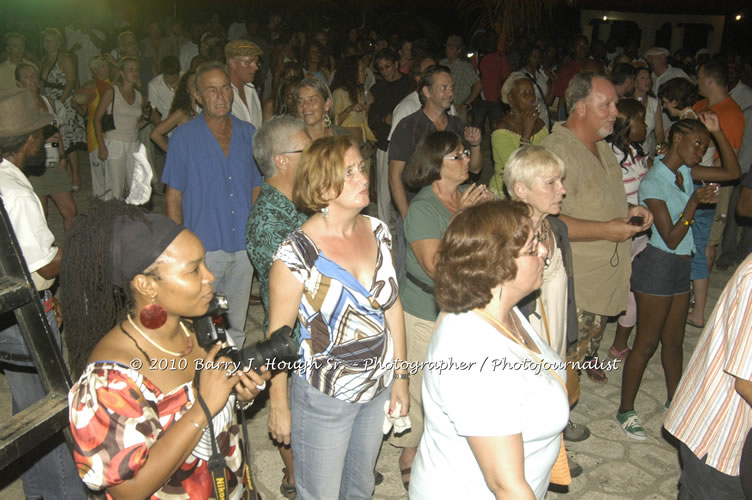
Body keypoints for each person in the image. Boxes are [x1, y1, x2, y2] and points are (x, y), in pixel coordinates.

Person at [64, 201, 270, 498]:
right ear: (146, 285)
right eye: (193, 270)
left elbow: (220, 416)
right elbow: (129, 490)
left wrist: (238, 395)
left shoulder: (199, 329)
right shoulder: (110, 379)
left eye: (205, 263)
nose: (209, 277)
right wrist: (204, 408)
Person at [267, 135, 409, 498]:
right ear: (322, 185)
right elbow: (278, 340)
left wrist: (401, 377)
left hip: (376, 387)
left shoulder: (378, 230)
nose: (363, 177)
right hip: (324, 396)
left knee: (360, 488)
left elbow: (392, 305)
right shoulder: (296, 253)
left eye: (361, 167)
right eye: (349, 172)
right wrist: (279, 405)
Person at [409, 200, 569, 499]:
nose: (544, 251)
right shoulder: (475, 358)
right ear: (499, 265)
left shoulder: (499, 308)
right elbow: (506, 486)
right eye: (533, 247)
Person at [541, 72, 653, 443]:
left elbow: (603, 202)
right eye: (607, 104)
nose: (616, 112)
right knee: (561, 359)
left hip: (600, 281)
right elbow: (547, 219)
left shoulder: (600, 145)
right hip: (574, 285)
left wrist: (632, 212)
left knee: (578, 355)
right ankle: (549, 429)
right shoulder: (557, 151)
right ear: (580, 107)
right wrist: (608, 230)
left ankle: (559, 415)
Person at [618, 115, 741, 440]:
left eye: (705, 144)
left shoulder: (685, 172)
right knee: (645, 343)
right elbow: (670, 237)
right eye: (697, 143)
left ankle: (677, 401)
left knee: (673, 343)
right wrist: (692, 204)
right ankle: (625, 410)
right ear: (675, 140)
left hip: (680, 266)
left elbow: (733, 172)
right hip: (657, 265)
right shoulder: (654, 181)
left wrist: (717, 130)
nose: (701, 151)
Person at [392, 131, 493, 488]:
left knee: (451, 383)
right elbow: (435, 265)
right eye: (458, 155)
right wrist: (462, 218)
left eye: (466, 153)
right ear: (437, 166)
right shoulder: (423, 208)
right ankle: (408, 451)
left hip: (460, 307)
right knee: (420, 388)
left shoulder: (462, 198)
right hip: (423, 309)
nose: (468, 160)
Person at [0, 87, 86, 500]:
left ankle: (36, 492)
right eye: (40, 135)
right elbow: (44, 267)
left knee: (26, 410)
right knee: (52, 416)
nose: (45, 141)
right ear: (27, 141)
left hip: (7, 318)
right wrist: (75, 244)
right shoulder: (17, 194)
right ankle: (64, 494)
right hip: (27, 317)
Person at [163, 62, 261, 349]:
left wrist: (252, 229)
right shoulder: (183, 138)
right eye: (211, 90)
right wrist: (178, 249)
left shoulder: (248, 133)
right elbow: (173, 196)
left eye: (225, 89)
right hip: (203, 248)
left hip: (242, 247)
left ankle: (229, 379)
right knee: (201, 322)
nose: (220, 96)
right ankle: (203, 379)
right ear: (197, 96)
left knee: (234, 322)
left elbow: (257, 184)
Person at [246, 115, 311, 499]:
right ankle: (294, 477)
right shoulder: (268, 219)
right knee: (295, 418)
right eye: (307, 148)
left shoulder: (298, 199)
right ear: (283, 160)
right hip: (294, 335)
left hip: (316, 330)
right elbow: (298, 290)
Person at [686, 59, 745, 330]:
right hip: (699, 180)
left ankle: (698, 304)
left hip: (717, 182)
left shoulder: (730, 112)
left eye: (699, 77)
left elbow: (728, 157)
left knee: (709, 241)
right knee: (696, 237)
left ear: (710, 79)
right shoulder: (703, 107)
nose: (696, 82)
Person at [606, 98, 649, 360]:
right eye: (641, 119)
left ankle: (619, 343)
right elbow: (608, 199)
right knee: (612, 291)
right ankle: (589, 351)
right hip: (620, 235)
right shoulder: (609, 156)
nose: (647, 124)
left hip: (640, 234)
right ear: (625, 124)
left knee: (634, 289)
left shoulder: (635, 152)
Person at [15, 63, 77, 230]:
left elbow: (56, 131)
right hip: (34, 166)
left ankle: (70, 251)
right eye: (27, 77)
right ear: (19, 84)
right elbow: (16, 139)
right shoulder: (19, 107)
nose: (33, 79)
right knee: (41, 214)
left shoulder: (48, 101)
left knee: (70, 210)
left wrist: (63, 156)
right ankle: (45, 253)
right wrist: (41, 139)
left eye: (34, 75)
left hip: (54, 162)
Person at [367, 48, 411, 222]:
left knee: (406, 185)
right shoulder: (378, 88)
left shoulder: (409, 84)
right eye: (381, 68)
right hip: (385, 143)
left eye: (388, 66)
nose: (385, 71)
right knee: (383, 189)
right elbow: (372, 120)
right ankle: (383, 225)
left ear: (396, 64)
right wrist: (384, 119)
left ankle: (406, 221)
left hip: (407, 144)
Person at [488, 73, 548, 197]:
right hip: (506, 192)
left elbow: (547, 162)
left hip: (534, 190)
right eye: (524, 94)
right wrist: (526, 133)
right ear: (510, 98)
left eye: (532, 93)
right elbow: (516, 171)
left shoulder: (541, 125)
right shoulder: (502, 128)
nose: (530, 98)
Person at [94, 56, 145, 201]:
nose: (135, 72)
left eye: (136, 69)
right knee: (115, 189)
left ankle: (132, 220)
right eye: (130, 69)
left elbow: (136, 123)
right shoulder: (112, 91)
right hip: (115, 143)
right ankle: (112, 221)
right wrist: (101, 145)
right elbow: (97, 119)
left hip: (133, 143)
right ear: (121, 72)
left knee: (136, 187)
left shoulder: (139, 96)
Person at [40, 27, 84, 191]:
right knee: (55, 138)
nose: (48, 44)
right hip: (49, 101)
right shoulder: (44, 59)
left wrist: (60, 102)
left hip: (64, 101)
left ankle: (76, 174)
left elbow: (71, 82)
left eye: (51, 40)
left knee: (67, 138)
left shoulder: (64, 58)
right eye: (45, 41)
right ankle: (62, 173)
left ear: (58, 42)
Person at [76, 55, 111, 199]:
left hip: (111, 131)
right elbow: (81, 108)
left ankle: (113, 204)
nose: (106, 67)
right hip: (94, 133)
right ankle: (100, 205)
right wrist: (76, 103)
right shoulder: (90, 86)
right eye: (102, 65)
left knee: (111, 171)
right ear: (95, 69)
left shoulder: (113, 84)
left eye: (106, 64)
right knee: (98, 173)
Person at [150, 71, 197, 152]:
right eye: (194, 84)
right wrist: (174, 154)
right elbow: (155, 134)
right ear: (187, 89)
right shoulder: (183, 113)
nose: (198, 86)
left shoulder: (207, 110)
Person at [330, 55, 372, 145]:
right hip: (345, 147)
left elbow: (364, 122)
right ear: (353, 72)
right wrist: (348, 109)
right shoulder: (339, 93)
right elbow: (332, 123)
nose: (365, 73)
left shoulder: (360, 93)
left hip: (362, 145)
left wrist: (369, 106)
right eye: (362, 70)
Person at [440, 35, 482, 123]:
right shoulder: (442, 63)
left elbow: (478, 85)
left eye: (451, 48)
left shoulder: (465, 66)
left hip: (458, 108)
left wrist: (466, 104)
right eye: (447, 47)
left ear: (458, 50)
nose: (447, 50)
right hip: (443, 107)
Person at [512, 45, 554, 130]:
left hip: (543, 116)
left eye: (538, 57)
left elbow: (549, 101)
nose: (536, 59)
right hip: (527, 117)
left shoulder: (542, 76)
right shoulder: (519, 76)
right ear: (527, 56)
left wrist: (552, 82)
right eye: (534, 56)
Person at [226, 40, 263, 128]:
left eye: (256, 62)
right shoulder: (222, 94)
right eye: (249, 62)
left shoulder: (251, 90)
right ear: (232, 63)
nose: (256, 67)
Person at [631, 66, 664, 157]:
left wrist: (659, 148)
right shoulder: (627, 102)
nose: (648, 81)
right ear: (634, 82)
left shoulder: (654, 103)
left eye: (649, 77)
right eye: (643, 78)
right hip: (628, 151)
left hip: (647, 151)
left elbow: (659, 132)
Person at [147, 55, 182, 125]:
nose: (170, 80)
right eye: (166, 78)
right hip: (168, 127)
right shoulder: (154, 85)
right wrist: (160, 130)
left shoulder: (187, 78)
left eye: (174, 78)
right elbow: (153, 111)